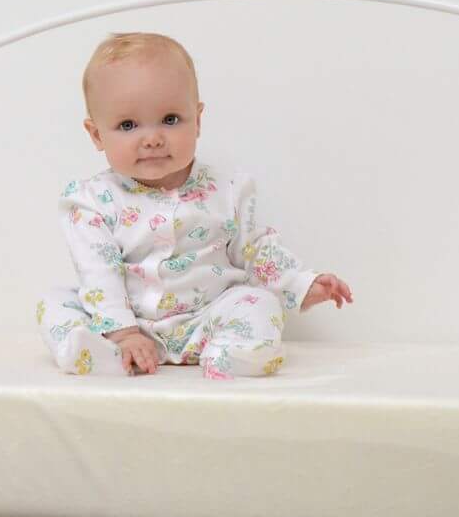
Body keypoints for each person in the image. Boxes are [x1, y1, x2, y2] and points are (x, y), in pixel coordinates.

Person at [38, 32, 352, 378]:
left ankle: (230, 353)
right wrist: (123, 331)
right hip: (127, 327)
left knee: (260, 303)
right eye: (128, 125)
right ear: (97, 134)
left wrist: (301, 284)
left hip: (205, 319)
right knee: (55, 303)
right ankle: (104, 355)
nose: (153, 138)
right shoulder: (91, 202)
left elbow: (254, 250)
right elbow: (99, 272)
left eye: (170, 119)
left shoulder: (227, 191)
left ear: (197, 120)